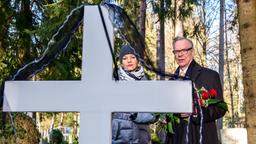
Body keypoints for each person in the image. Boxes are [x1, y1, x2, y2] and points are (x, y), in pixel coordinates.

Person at [167, 37, 227, 144]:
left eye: (184, 51)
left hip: (201, 136)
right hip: (176, 138)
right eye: (176, 51)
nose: (180, 55)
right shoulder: (170, 81)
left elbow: (220, 108)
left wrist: (195, 110)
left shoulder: (210, 76)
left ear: (192, 52)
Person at [112, 44, 157, 144]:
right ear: (121, 62)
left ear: (138, 60)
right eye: (125, 58)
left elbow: (155, 114)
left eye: (132, 57)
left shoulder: (146, 82)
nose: (129, 61)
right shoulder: (113, 81)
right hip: (119, 136)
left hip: (142, 136)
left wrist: (137, 116)